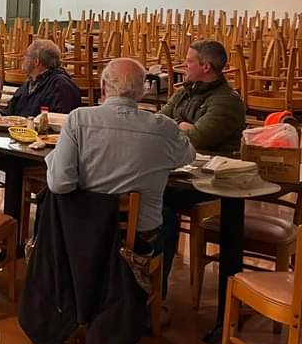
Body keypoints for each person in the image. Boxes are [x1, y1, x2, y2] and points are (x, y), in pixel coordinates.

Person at [45, 58, 195, 260]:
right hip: (139, 238)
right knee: (168, 220)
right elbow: (188, 156)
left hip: (83, 231)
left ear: (103, 87)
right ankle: (149, 278)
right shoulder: (164, 127)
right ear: (143, 91)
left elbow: (60, 184)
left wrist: (53, 158)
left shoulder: (78, 119)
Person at [158, 39, 247, 290]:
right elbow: (157, 123)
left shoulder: (226, 101)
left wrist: (177, 126)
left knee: (156, 206)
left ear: (206, 67)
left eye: (189, 61)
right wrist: (182, 126)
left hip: (210, 183)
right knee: (139, 194)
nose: (183, 65)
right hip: (180, 173)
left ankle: (155, 289)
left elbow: (196, 139)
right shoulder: (186, 90)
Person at [4, 39, 82, 116]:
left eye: (26, 55)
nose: (23, 58)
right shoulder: (29, 83)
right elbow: (9, 111)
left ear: (36, 61)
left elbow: (61, 119)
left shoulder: (61, 85)